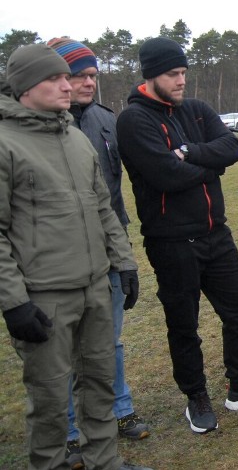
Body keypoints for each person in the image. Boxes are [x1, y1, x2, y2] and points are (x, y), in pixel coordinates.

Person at [116, 37, 238, 435]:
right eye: (173, 74)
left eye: (183, 73)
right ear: (151, 75)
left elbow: (230, 147)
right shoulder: (134, 120)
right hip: (171, 242)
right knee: (184, 323)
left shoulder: (194, 109)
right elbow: (165, 176)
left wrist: (190, 153)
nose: (181, 81)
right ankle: (196, 397)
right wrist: (209, 165)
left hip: (216, 233)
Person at [0, 44, 150, 470]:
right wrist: (15, 302)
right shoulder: (5, 143)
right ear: (26, 86)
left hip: (97, 286)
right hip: (42, 296)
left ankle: (105, 460)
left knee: (100, 383)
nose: (69, 85)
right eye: (56, 79)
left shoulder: (75, 138)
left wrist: (124, 263)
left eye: (69, 78)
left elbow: (104, 207)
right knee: (49, 399)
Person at [47, 38, 151, 467]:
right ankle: (70, 431)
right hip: (58, 258)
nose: (88, 83)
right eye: (78, 76)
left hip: (110, 245)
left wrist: (125, 257)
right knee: (65, 349)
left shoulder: (108, 122)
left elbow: (115, 196)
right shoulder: (40, 126)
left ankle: (119, 409)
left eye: (93, 75)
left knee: (109, 340)